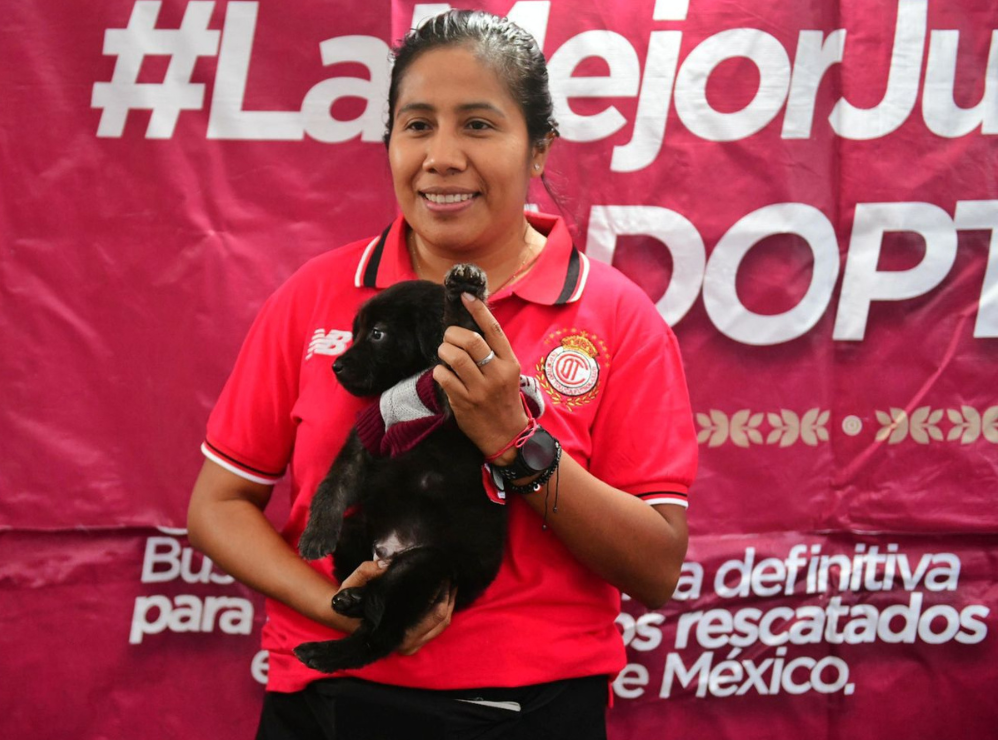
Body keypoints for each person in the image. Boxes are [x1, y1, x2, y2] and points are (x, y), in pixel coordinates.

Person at [188, 10, 697, 739]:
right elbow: (218, 505)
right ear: (389, 142)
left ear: (541, 149)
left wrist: (513, 440)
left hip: (525, 710)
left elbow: (656, 568)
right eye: (417, 125)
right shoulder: (317, 294)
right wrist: (344, 608)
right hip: (326, 704)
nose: (442, 156)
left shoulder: (616, 317)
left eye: (479, 126)